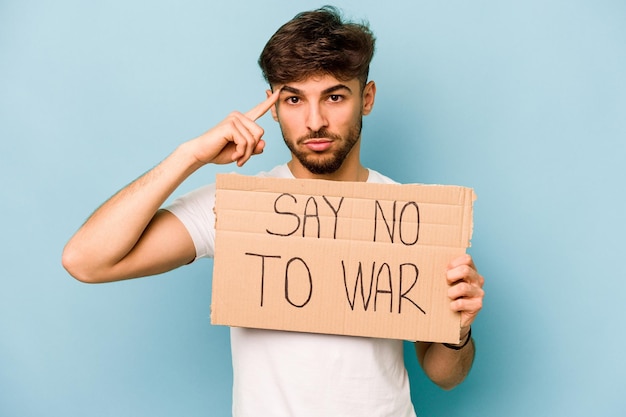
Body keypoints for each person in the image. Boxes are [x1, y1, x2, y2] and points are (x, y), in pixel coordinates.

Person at [62, 6, 485, 417]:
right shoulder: (235, 207)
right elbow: (86, 261)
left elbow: (444, 376)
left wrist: (458, 332)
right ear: (272, 104)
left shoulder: (412, 217)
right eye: (294, 99)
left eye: (334, 96)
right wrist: (190, 156)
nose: (314, 121)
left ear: (366, 98)